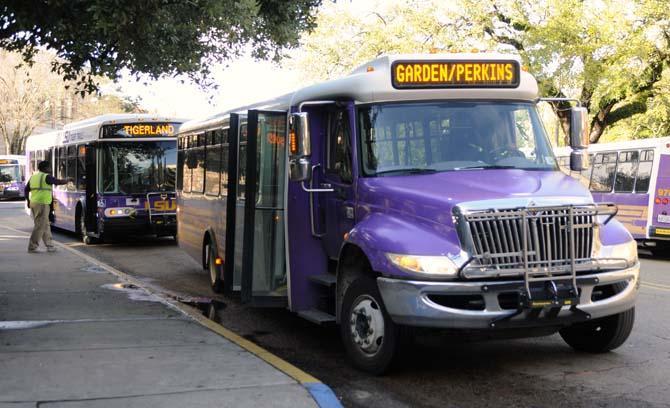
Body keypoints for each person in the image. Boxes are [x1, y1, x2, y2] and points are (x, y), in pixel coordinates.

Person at [24, 160, 69, 253]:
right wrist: (68, 180)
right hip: (42, 204)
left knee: (45, 224)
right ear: (45, 168)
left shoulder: (34, 177)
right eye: (49, 167)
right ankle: (32, 247)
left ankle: (50, 245)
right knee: (40, 226)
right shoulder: (46, 177)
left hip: (34, 203)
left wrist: (28, 201)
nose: (50, 169)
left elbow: (26, 189)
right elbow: (58, 182)